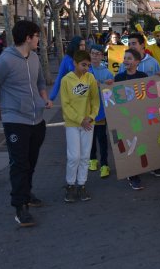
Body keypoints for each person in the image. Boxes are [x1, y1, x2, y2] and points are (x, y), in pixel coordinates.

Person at [0, 20, 53, 227]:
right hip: (15, 120)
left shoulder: (34, 58)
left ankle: (27, 193)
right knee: (19, 164)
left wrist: (44, 98)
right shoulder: (5, 60)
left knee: (30, 162)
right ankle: (20, 206)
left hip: (37, 119)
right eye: (37, 36)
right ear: (28, 38)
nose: (39, 39)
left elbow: (40, 82)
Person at [60, 50, 100, 203]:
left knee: (85, 156)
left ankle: (81, 184)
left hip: (88, 124)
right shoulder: (66, 80)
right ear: (75, 63)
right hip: (72, 124)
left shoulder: (90, 78)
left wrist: (91, 117)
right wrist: (79, 119)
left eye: (88, 65)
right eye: (83, 65)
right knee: (73, 156)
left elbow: (95, 101)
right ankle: (70, 185)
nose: (86, 68)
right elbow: (65, 104)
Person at [115, 48, 149, 190]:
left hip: (139, 117)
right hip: (125, 118)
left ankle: (148, 166)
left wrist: (159, 77)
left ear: (137, 62)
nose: (126, 61)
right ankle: (132, 174)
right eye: (125, 58)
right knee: (129, 144)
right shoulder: (119, 78)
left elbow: (148, 94)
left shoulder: (143, 75)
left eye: (129, 58)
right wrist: (110, 86)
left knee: (141, 142)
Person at [88, 44, 115, 178]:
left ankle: (104, 164)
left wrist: (109, 84)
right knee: (90, 138)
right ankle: (92, 159)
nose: (95, 56)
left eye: (98, 54)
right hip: (87, 111)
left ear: (102, 56)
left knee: (101, 138)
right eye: (93, 53)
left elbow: (112, 92)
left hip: (101, 112)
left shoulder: (107, 72)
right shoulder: (85, 69)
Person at [49, 36, 86, 101]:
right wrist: (51, 98)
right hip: (71, 96)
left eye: (84, 45)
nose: (83, 47)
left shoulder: (85, 58)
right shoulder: (67, 60)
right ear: (75, 46)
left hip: (85, 95)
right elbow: (59, 78)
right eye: (81, 45)